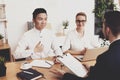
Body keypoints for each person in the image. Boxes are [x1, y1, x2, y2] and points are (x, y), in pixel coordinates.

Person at [50, 11, 120, 80]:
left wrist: (64, 76)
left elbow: (98, 47)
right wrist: (91, 68)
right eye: (78, 21)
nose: (80, 23)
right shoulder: (70, 33)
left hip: (85, 62)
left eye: (103, 26)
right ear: (75, 22)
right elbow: (102, 73)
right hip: (75, 62)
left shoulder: (103, 58)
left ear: (107, 30)